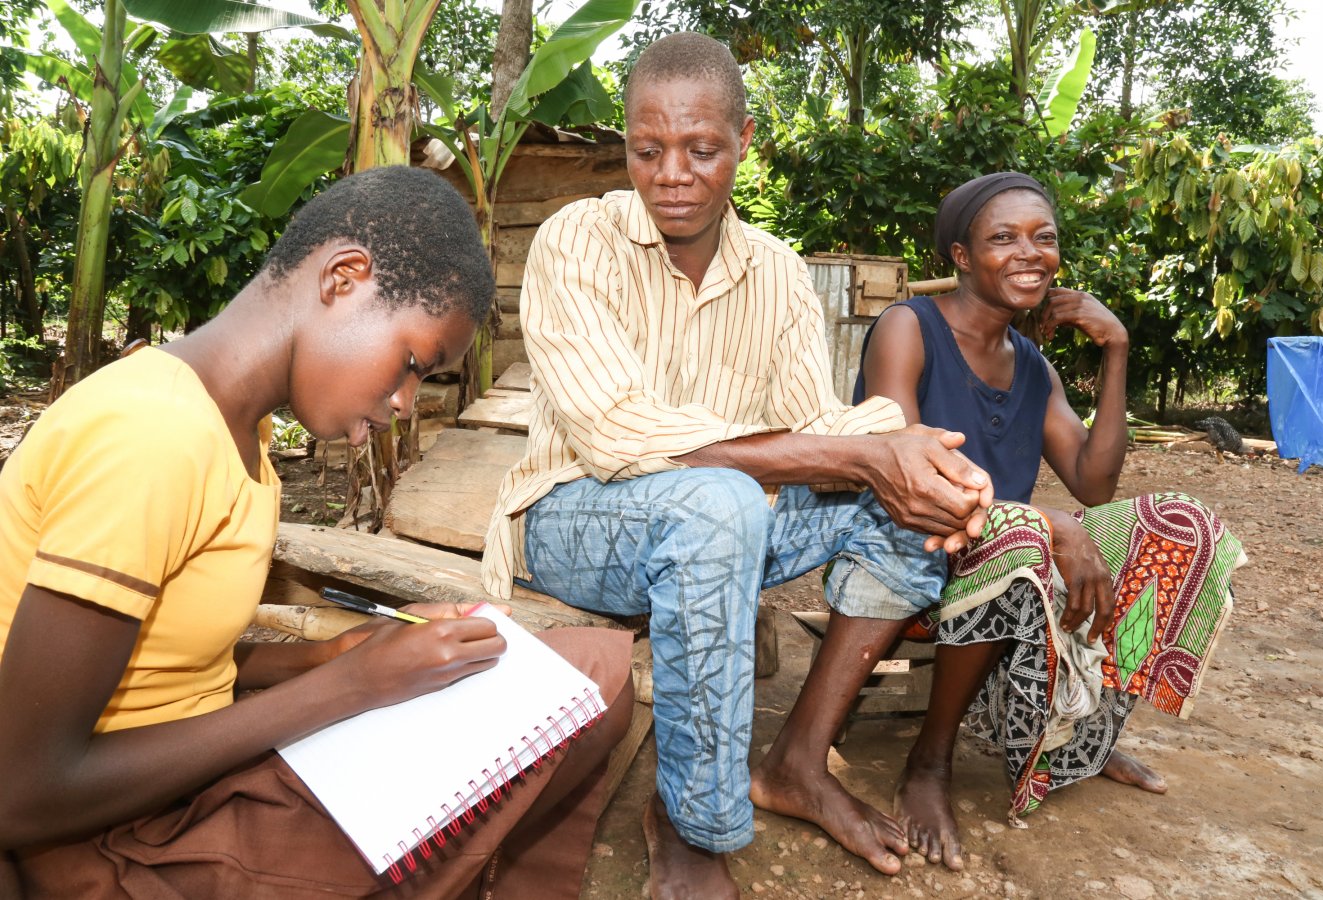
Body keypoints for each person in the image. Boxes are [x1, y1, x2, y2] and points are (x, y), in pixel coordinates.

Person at [0, 165, 634, 899]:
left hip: (159, 791)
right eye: (410, 365)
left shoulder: (237, 435)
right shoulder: (154, 435)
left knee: (579, 671)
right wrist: (347, 686)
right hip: (110, 846)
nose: (403, 402)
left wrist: (327, 656)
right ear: (344, 278)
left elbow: (160, 668)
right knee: (587, 687)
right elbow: (20, 790)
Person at [481, 33, 1000, 899]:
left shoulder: (779, 274)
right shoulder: (578, 239)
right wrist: (859, 454)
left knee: (909, 503)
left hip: (724, 518)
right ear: (626, 145)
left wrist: (921, 459)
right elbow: (614, 434)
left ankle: (798, 759)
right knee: (720, 504)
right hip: (570, 516)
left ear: (745, 141)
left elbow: (819, 425)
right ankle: (692, 823)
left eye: (702, 149)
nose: (672, 173)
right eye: (648, 150)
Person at [854, 171, 1246, 870]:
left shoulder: (1033, 367)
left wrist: (1115, 350)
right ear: (962, 256)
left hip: (1011, 552)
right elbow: (902, 467)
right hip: (906, 550)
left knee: (1180, 524)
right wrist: (1050, 525)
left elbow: (1095, 484)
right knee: (1028, 534)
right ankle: (928, 764)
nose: (1029, 252)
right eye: (1002, 237)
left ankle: (1078, 739)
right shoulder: (907, 329)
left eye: (1044, 237)